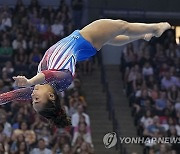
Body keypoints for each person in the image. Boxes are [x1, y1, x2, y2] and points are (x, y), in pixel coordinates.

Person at [0, 19, 171, 128]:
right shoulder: (62, 80)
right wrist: (29, 81)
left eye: (33, 100)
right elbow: (47, 73)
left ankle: (143, 36)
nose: (33, 96)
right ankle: (155, 28)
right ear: (51, 97)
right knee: (121, 26)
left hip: (82, 49)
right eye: (37, 99)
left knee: (113, 38)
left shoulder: (41, 88)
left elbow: (11, 95)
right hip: (83, 39)